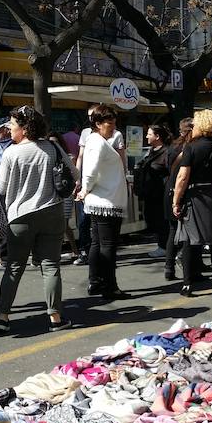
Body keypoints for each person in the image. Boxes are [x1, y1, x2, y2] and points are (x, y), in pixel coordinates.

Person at [0, 106, 75, 332]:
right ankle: (55, 318)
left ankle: (3, 317)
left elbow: (1, 187)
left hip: (20, 216)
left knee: (14, 267)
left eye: (12, 124)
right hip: (52, 212)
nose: (9, 129)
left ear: (23, 127)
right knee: (50, 266)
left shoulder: (11, 152)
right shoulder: (53, 147)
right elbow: (74, 175)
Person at [172, 109, 212, 297]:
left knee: (190, 241)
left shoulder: (191, 148)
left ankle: (188, 285)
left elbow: (182, 177)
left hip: (195, 195)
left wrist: (176, 200)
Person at [76, 104, 130, 300]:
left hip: (102, 199)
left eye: (114, 123)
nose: (113, 127)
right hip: (105, 201)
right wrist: (84, 189)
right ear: (98, 124)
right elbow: (90, 171)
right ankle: (109, 286)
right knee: (107, 245)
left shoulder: (95, 140)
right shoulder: (97, 142)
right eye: (109, 123)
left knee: (98, 243)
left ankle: (96, 281)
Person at [164, 118, 194, 281]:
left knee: (172, 230)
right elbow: (184, 176)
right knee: (188, 232)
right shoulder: (188, 148)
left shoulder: (173, 147)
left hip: (169, 188)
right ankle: (190, 268)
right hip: (181, 190)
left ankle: (169, 267)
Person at [138, 124, 172, 258]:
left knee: (161, 220)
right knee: (153, 219)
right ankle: (163, 244)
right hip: (150, 192)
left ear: (157, 136)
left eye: (149, 134)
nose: (146, 136)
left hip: (160, 192)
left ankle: (164, 246)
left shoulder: (166, 152)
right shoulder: (151, 151)